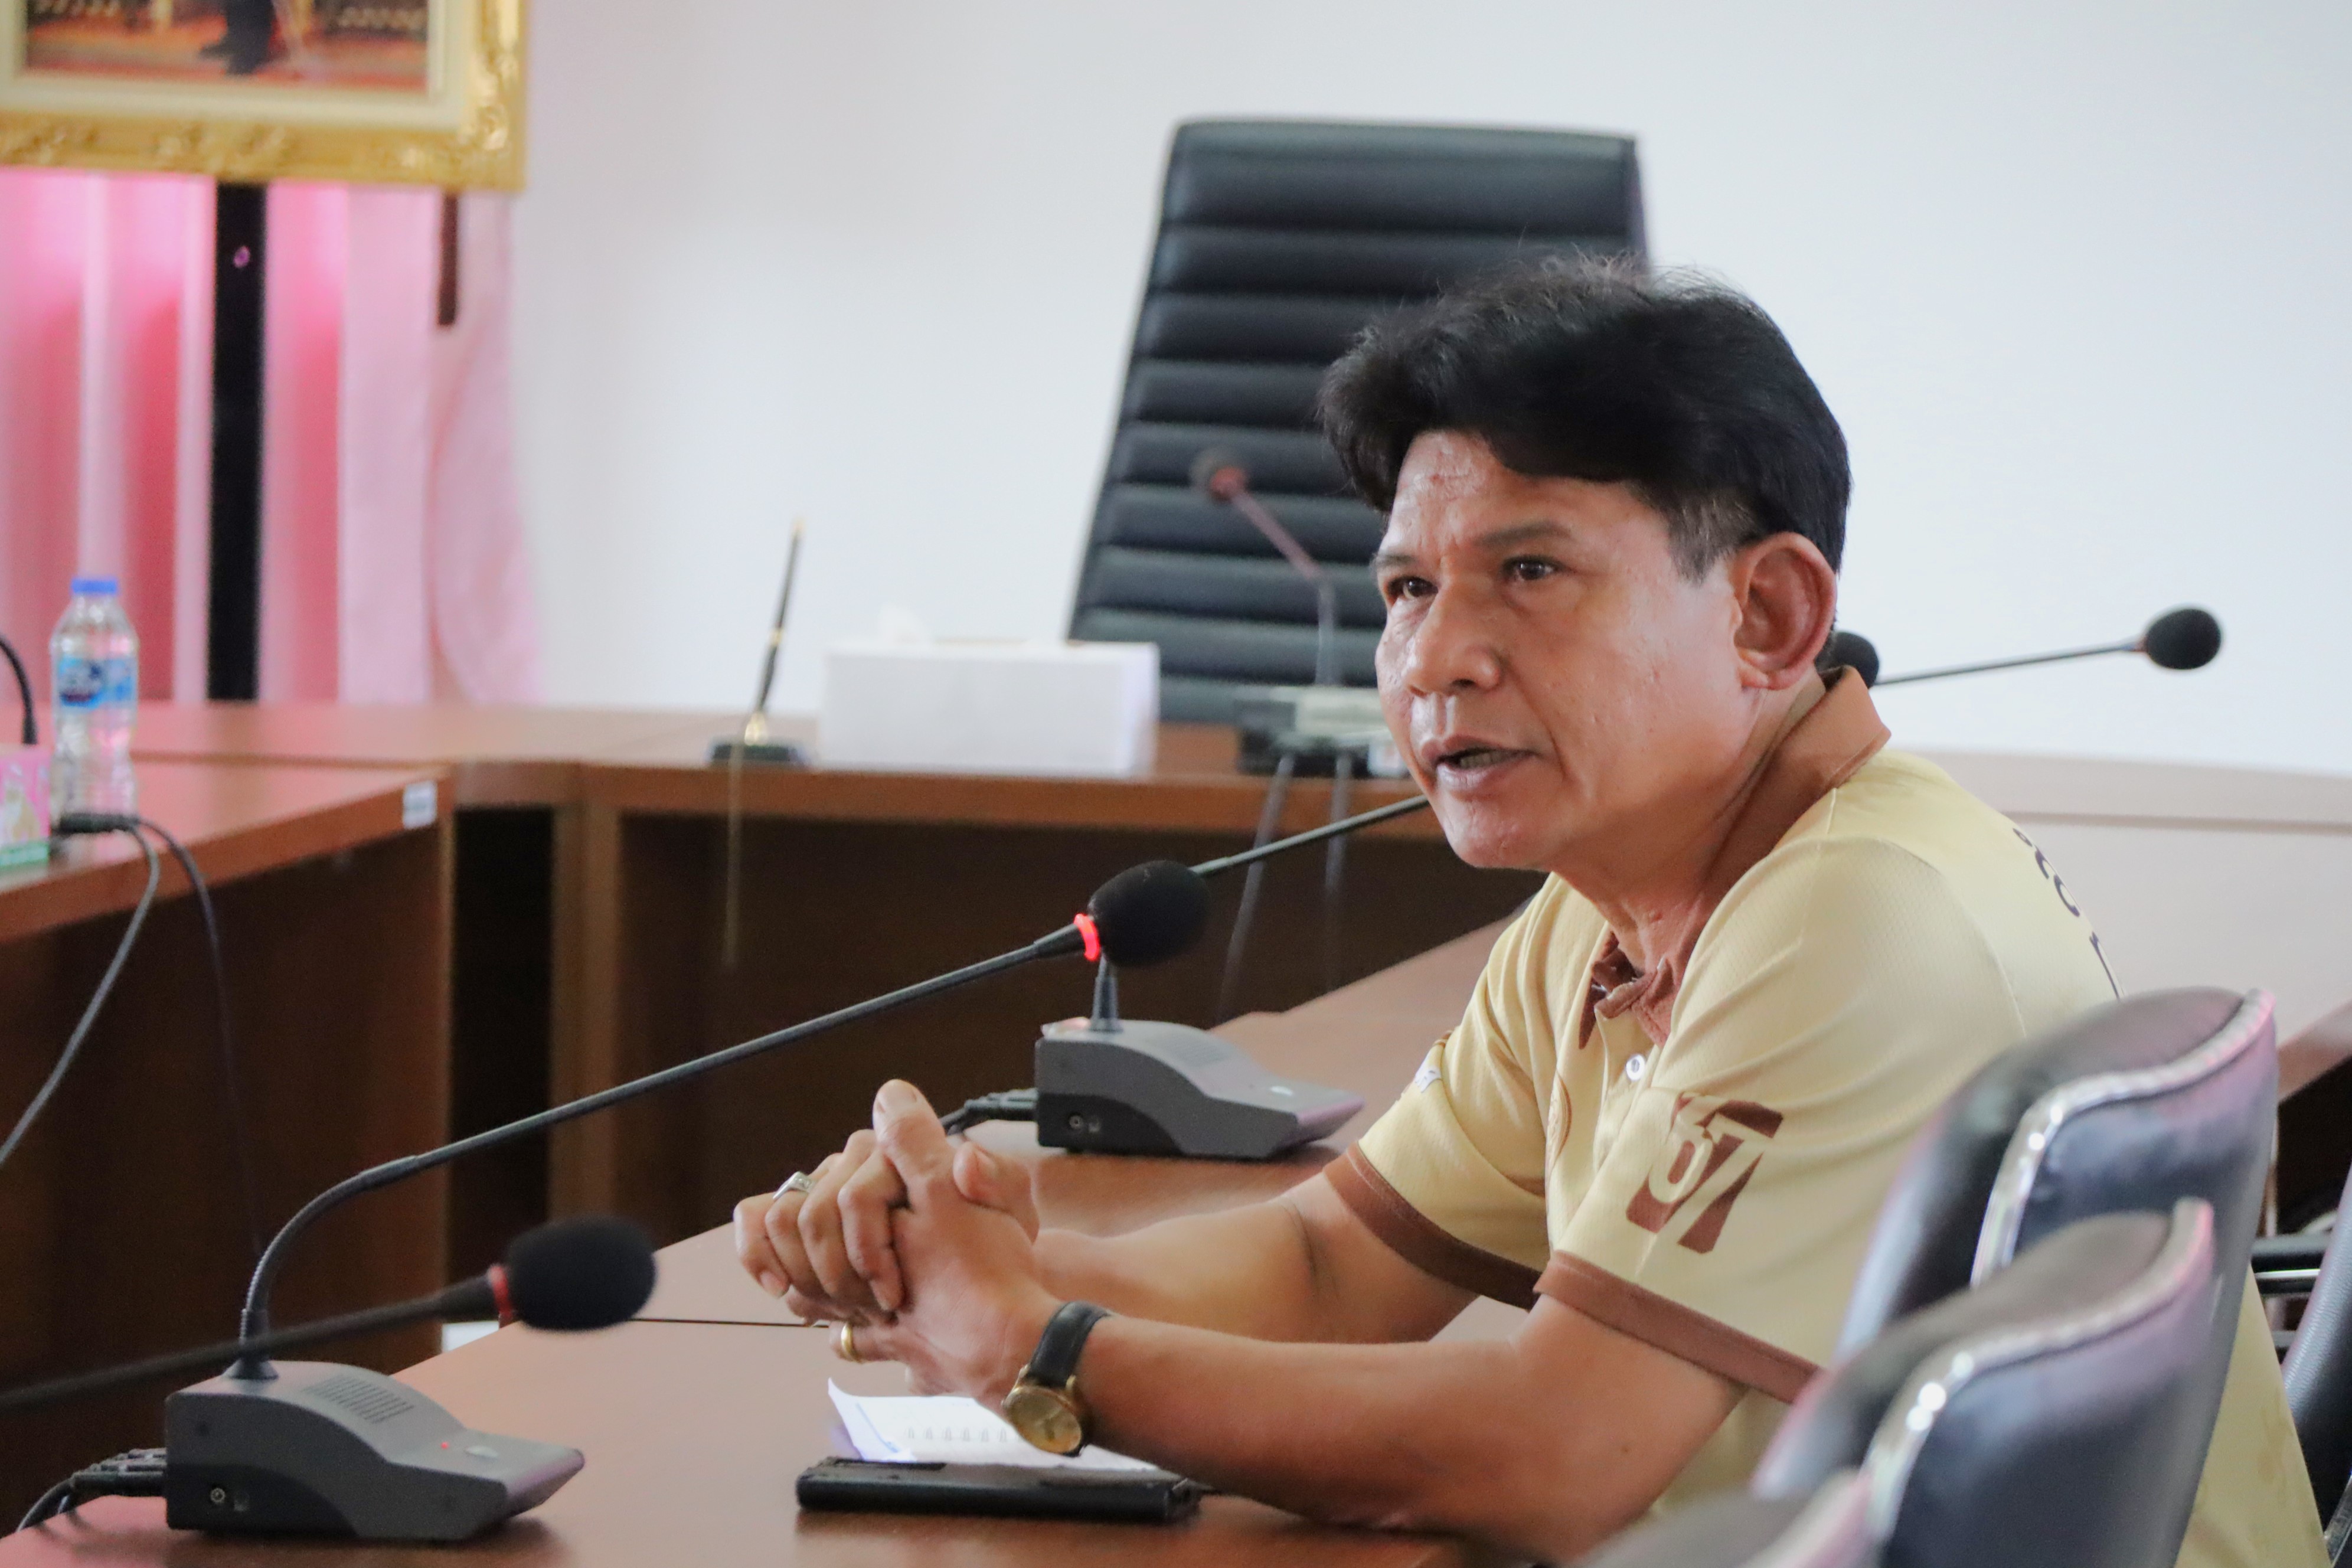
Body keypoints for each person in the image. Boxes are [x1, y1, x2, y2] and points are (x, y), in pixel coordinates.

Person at [736, 262, 2321, 1566]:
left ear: (1769, 614)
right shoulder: (1612, 901)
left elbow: (1551, 1460)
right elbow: (1332, 1270)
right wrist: (983, 1258)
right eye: (1409, 590)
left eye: (1533, 574)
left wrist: (1039, 1352)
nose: (1435, 662)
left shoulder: (1856, 915)